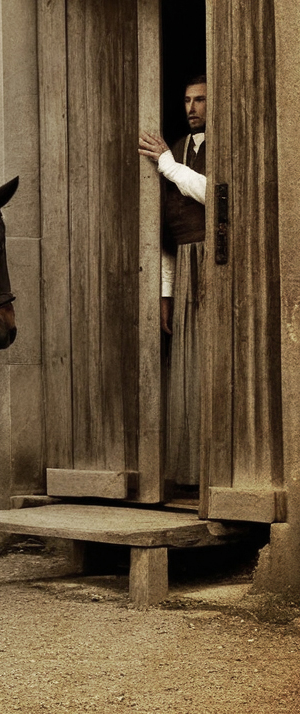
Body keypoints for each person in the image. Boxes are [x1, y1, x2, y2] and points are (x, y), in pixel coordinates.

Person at [137, 76, 207, 485]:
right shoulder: (177, 147)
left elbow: (214, 193)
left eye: (200, 100)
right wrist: (165, 294)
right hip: (183, 264)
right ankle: (186, 471)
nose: (191, 108)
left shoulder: (211, 148)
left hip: (216, 263)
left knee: (210, 361)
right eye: (186, 100)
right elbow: (165, 232)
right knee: (184, 366)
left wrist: (166, 164)